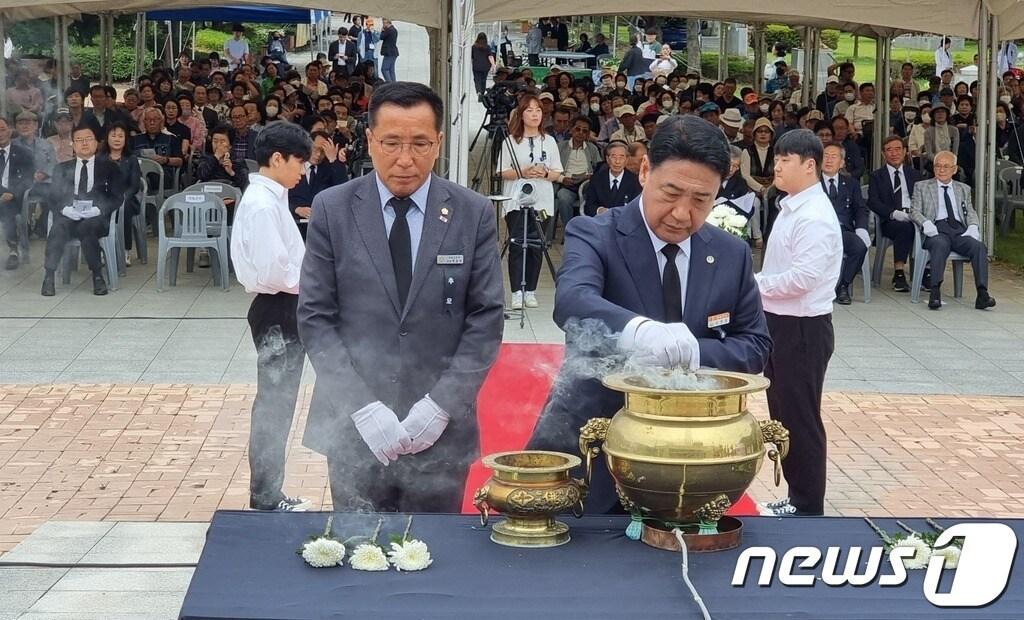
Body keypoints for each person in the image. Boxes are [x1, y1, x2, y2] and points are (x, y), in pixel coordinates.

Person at [527, 115, 772, 514]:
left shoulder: (731, 253)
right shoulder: (595, 233)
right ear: (645, 171)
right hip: (592, 444)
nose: (681, 214)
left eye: (700, 200)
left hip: (687, 461)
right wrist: (639, 332)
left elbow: (755, 345)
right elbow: (572, 300)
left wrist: (692, 353)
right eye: (671, 193)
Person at [297, 81, 504, 513]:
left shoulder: (472, 212)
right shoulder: (333, 209)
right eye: (391, 142)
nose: (406, 159)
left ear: (440, 143)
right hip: (355, 428)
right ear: (370, 140)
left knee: (434, 558)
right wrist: (362, 408)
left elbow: (485, 319)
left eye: (420, 143)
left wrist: (441, 406)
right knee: (358, 555)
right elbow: (316, 318)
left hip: (440, 431)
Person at [756, 129, 841, 518]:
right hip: (780, 323)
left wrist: (751, 285)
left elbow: (802, 279)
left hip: (803, 329)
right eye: (776, 158)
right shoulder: (791, 206)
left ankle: (808, 506)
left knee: (800, 418)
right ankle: (796, 496)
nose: (777, 165)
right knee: (783, 415)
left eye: (785, 159)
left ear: (810, 165)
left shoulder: (815, 216)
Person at [230, 122, 314, 512]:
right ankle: (265, 496)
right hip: (278, 305)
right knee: (274, 404)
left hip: (284, 303)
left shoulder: (271, 196)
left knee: (278, 402)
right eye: (300, 161)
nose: (303, 171)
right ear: (277, 159)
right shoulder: (263, 203)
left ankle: (268, 493)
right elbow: (275, 271)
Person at [41, 125, 123, 297]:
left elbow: (117, 197)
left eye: (88, 139)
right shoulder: (61, 169)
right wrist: (65, 209)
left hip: (96, 217)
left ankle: (97, 275)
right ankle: (49, 276)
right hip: (69, 214)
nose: (84, 143)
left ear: (96, 143)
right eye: (79, 140)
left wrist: (98, 209)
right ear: (73, 144)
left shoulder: (110, 167)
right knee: (58, 228)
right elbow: (53, 196)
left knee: (87, 228)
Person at [499, 94, 563, 309]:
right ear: (521, 114)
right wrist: (522, 172)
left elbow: (557, 172)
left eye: (538, 110)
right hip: (516, 200)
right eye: (529, 110)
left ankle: (531, 291)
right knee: (517, 244)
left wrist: (544, 174)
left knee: (537, 245)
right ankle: (517, 291)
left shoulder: (549, 141)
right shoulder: (510, 141)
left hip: (542, 200)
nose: (534, 114)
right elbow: (501, 171)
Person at [911, 150, 996, 311]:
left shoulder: (963, 188)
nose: (941, 170)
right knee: (940, 245)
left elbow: (970, 211)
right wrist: (926, 223)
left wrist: (973, 226)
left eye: (946, 166)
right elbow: (914, 210)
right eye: (938, 166)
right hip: (936, 229)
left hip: (958, 230)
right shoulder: (922, 186)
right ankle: (935, 291)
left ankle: (982, 293)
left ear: (954, 169)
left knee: (979, 247)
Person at [868, 136, 921, 292]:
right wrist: (893, 213)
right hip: (890, 220)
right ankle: (899, 272)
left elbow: (923, 197)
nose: (894, 153)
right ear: (884, 154)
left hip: (914, 215)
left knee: (928, 227)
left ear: (905, 152)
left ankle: (926, 269)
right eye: (889, 150)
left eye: (898, 149)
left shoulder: (915, 175)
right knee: (905, 228)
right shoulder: (877, 176)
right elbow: (873, 202)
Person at [820, 143, 870, 305]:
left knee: (859, 247)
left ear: (841, 162)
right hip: (817, 231)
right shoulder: (811, 182)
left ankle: (843, 285)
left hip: (842, 231)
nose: (828, 160)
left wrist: (861, 228)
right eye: (825, 156)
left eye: (833, 156)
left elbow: (861, 209)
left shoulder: (851, 183)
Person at [288, 130, 349, 238]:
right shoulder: (292, 165)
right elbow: (282, 194)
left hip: (323, 227)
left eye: (323, 151)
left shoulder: (330, 168)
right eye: (315, 149)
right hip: (294, 225)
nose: (318, 154)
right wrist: (297, 209)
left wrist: (333, 160)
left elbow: (343, 191)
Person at [100, 123, 142, 264]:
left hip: (126, 198)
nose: (117, 139)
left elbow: (135, 185)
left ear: (125, 139)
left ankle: (125, 251)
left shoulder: (131, 159)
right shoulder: (100, 158)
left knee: (125, 210)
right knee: (99, 208)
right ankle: (102, 250)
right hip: (104, 198)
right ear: (107, 138)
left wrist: (123, 197)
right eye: (113, 136)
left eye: (120, 136)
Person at [554, 116, 601, 233]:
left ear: (588, 134)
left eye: (584, 131)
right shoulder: (560, 147)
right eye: (577, 129)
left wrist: (591, 176)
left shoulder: (592, 149)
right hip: (567, 183)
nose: (580, 133)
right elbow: (552, 168)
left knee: (594, 197)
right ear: (571, 130)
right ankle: (570, 231)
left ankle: (590, 232)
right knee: (563, 197)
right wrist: (562, 178)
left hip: (587, 184)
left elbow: (599, 168)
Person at [0, 118, 35, 271]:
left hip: (14, 197)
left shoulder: (23, 153)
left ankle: (13, 251)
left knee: (7, 207)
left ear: (10, 130)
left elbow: (28, 179)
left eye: (2, 129)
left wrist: (12, 193)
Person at [583, 141, 640, 215]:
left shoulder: (635, 181)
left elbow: (636, 209)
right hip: (601, 222)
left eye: (621, 157)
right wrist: (600, 210)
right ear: (607, 159)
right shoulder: (596, 179)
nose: (617, 161)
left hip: (624, 223)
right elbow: (589, 206)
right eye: (614, 157)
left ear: (626, 160)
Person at [196, 125, 250, 190]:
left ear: (230, 145)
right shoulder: (206, 158)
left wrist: (231, 172)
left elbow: (245, 184)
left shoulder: (237, 161)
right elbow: (201, 176)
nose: (218, 145)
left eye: (222, 142)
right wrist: (216, 157)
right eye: (215, 141)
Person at [471, 33, 496, 97]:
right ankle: (482, 92)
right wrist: (493, 65)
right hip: (485, 67)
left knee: (477, 79)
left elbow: (471, 57)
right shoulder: (487, 47)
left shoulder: (474, 47)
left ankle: (478, 92)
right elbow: (490, 56)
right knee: (483, 79)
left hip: (476, 66)